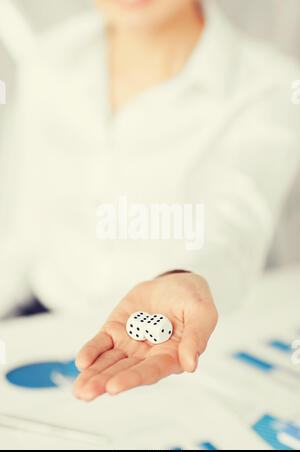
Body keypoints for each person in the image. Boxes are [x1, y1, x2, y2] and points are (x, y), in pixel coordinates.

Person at [0, 0, 299, 401]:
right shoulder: (49, 58)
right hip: (41, 326)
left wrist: (183, 276)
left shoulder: (271, 87)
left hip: (176, 353)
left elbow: (238, 223)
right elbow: (22, 226)